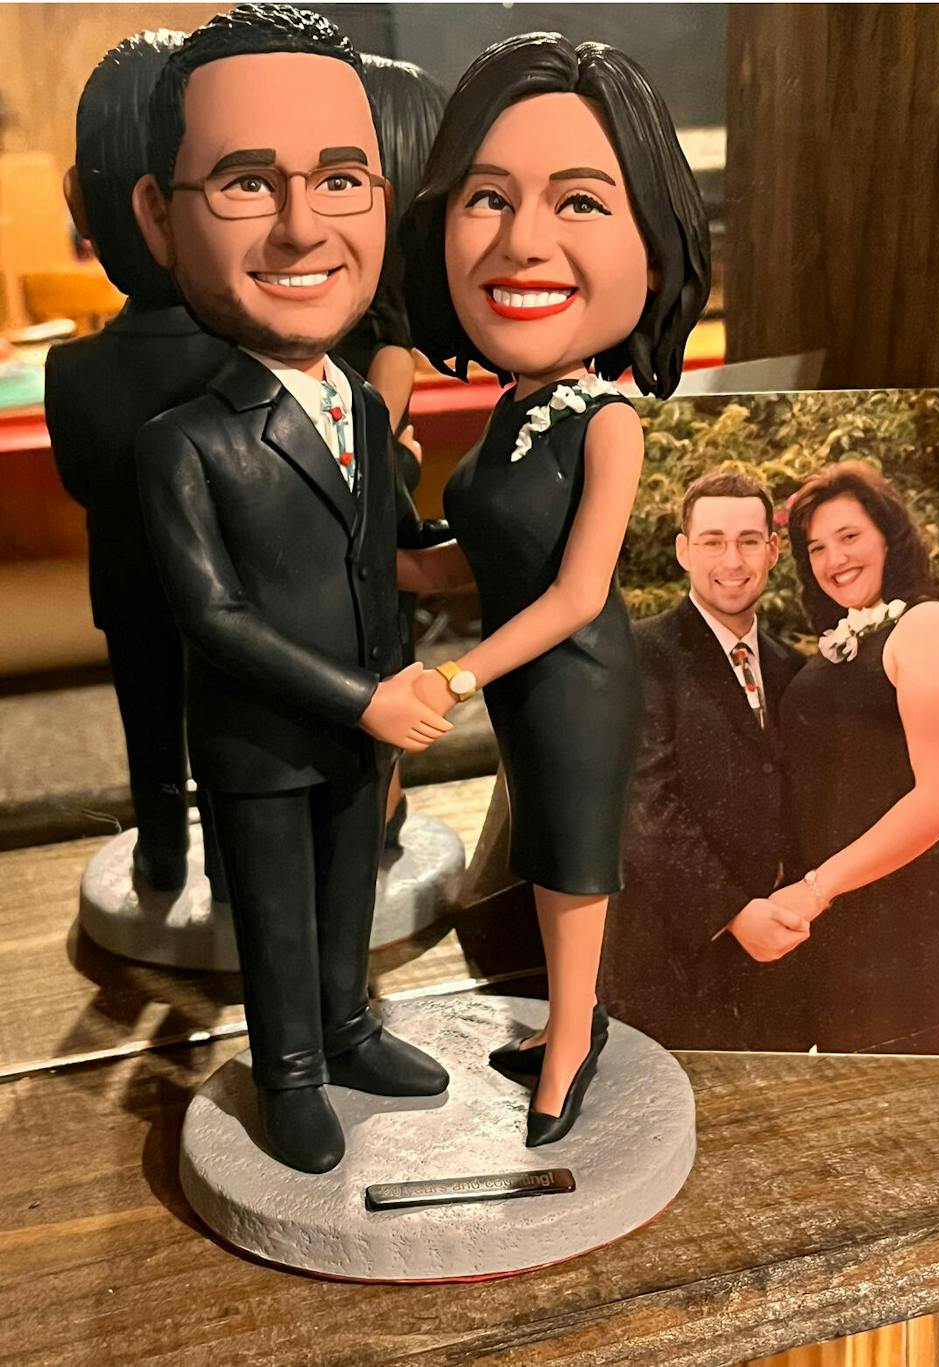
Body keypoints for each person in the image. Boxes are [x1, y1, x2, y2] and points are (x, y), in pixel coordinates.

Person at [130, 4, 451, 1174]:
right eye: (246, 183)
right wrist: (365, 697)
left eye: (341, 179)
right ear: (159, 217)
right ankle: (292, 1066)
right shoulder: (185, 442)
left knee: (347, 890)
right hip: (263, 737)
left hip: (367, 721)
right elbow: (212, 617)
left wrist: (481, 546)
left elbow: (387, 540)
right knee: (274, 911)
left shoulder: (359, 399)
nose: (302, 224)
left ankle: (349, 1026)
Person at [399, 33, 710, 1144]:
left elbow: (579, 593)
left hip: (572, 677)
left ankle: (571, 1043)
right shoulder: (514, 408)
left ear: (654, 248)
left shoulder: (608, 422)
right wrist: (399, 555)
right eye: (487, 198)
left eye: (579, 201)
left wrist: (458, 675)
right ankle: (566, 1020)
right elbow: (483, 548)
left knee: (574, 861)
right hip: (523, 682)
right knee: (541, 850)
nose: (523, 240)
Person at [45, 31, 231, 897]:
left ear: (79, 203)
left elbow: (80, 481)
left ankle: (160, 852)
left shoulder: (74, 370)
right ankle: (232, 859)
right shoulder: (249, 359)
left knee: (147, 725)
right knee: (230, 724)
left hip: (126, 582)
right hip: (238, 589)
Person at [775, 460, 939, 1055]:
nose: (834, 559)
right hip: (843, 915)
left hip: (910, 915)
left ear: (889, 537)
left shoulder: (927, 625)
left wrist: (816, 889)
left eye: (849, 536)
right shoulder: (852, 638)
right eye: (817, 547)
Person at [599, 468, 810, 1051]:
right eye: (713, 541)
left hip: (772, 971)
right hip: (671, 965)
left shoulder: (790, 668)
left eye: (748, 541)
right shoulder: (641, 653)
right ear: (684, 551)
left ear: (772, 551)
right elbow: (645, 806)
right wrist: (735, 913)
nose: (732, 560)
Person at [334, 54, 448, 848]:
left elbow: (367, 469)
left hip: (367, 565)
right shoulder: (377, 342)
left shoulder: (381, 342)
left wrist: (397, 458)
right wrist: (402, 457)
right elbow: (375, 467)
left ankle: (382, 817)